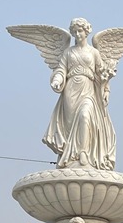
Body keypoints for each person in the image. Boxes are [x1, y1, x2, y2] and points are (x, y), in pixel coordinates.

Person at [43, 17, 116, 170]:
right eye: (74, 31)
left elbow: (101, 73)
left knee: (85, 115)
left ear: (86, 31)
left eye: (80, 31)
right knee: (70, 128)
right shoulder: (68, 53)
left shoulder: (94, 52)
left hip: (88, 90)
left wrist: (106, 90)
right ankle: (71, 156)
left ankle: (83, 151)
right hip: (70, 91)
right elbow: (62, 70)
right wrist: (57, 80)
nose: (77, 34)